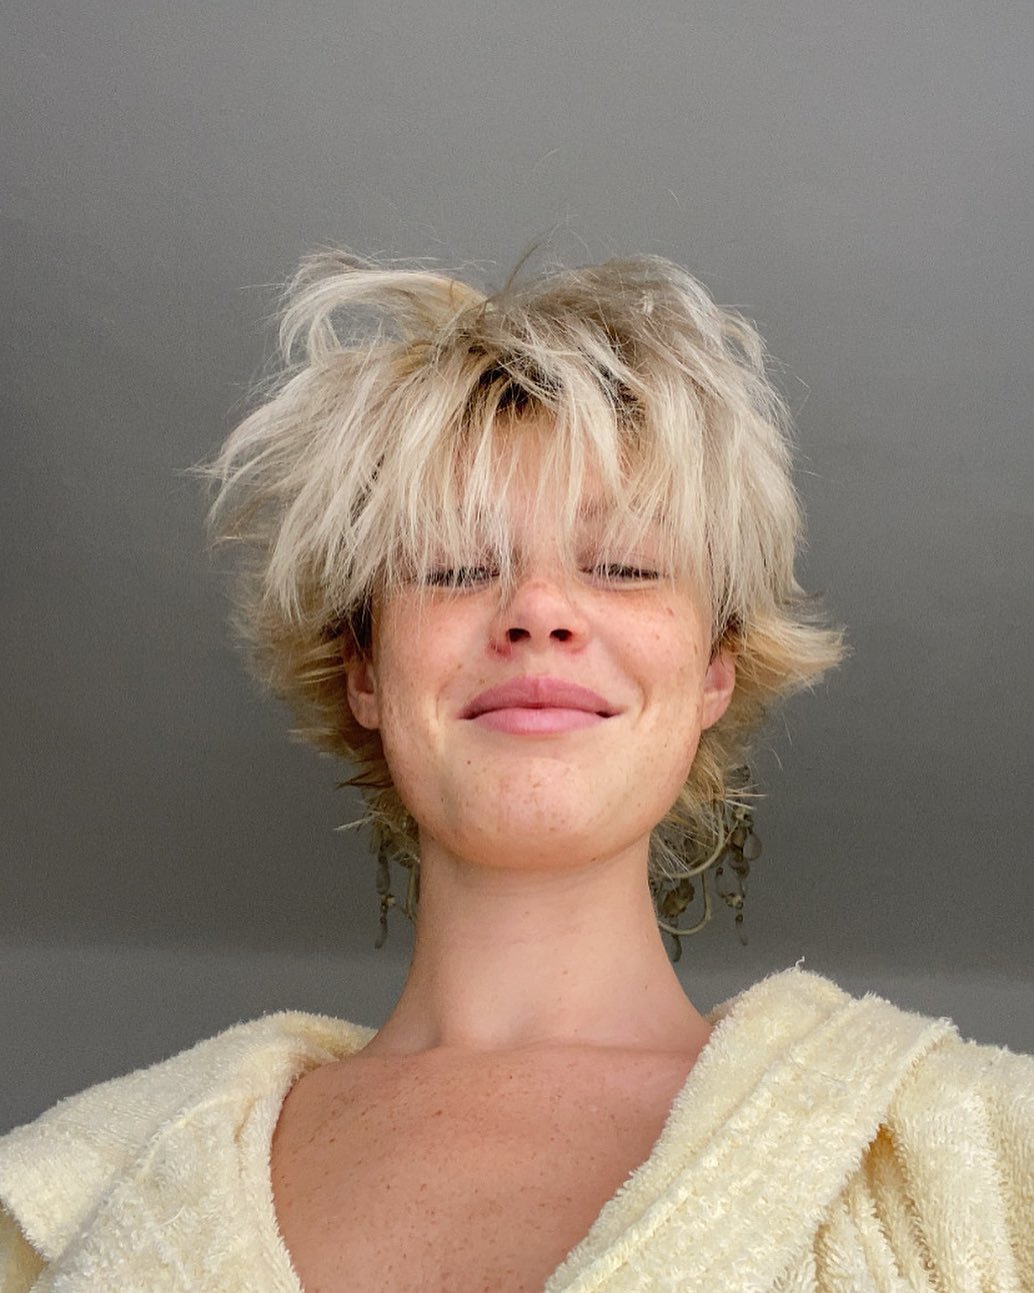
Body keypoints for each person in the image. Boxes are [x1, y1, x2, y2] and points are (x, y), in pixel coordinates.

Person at [1, 251, 1031, 1293]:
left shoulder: (987, 1147)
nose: (538, 609)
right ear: (364, 669)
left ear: (715, 667)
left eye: (622, 565)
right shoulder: (70, 1200)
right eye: (455, 566)